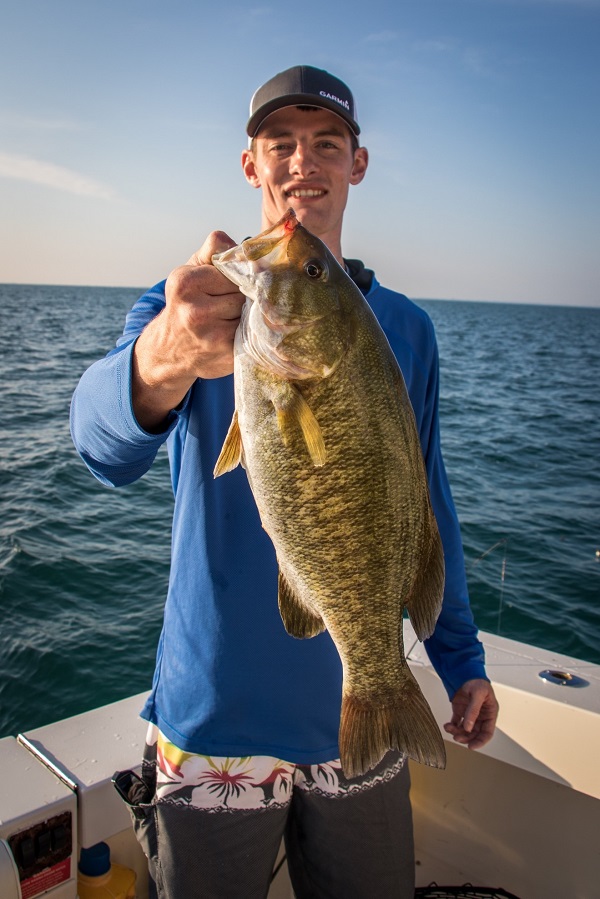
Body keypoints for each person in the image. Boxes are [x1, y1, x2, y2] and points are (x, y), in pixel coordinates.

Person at [71, 65, 499, 899]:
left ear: (357, 165)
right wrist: (162, 357)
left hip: (357, 724)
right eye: (282, 145)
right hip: (213, 717)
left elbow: (425, 507)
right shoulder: (184, 304)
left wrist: (461, 658)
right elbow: (100, 447)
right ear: (250, 166)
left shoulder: (407, 328)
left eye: (326, 144)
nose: (304, 162)